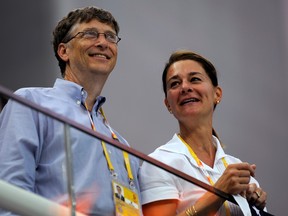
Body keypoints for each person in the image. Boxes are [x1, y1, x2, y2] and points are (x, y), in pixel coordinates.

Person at [0, 6, 141, 216]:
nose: (103, 42)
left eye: (111, 37)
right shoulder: (30, 103)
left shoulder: (123, 145)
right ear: (64, 51)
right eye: (90, 34)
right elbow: (10, 195)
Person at [139, 50, 268, 216]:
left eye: (195, 79)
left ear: (217, 94)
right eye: (175, 84)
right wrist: (219, 192)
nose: (185, 87)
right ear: (168, 104)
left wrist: (256, 203)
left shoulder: (236, 168)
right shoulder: (159, 163)